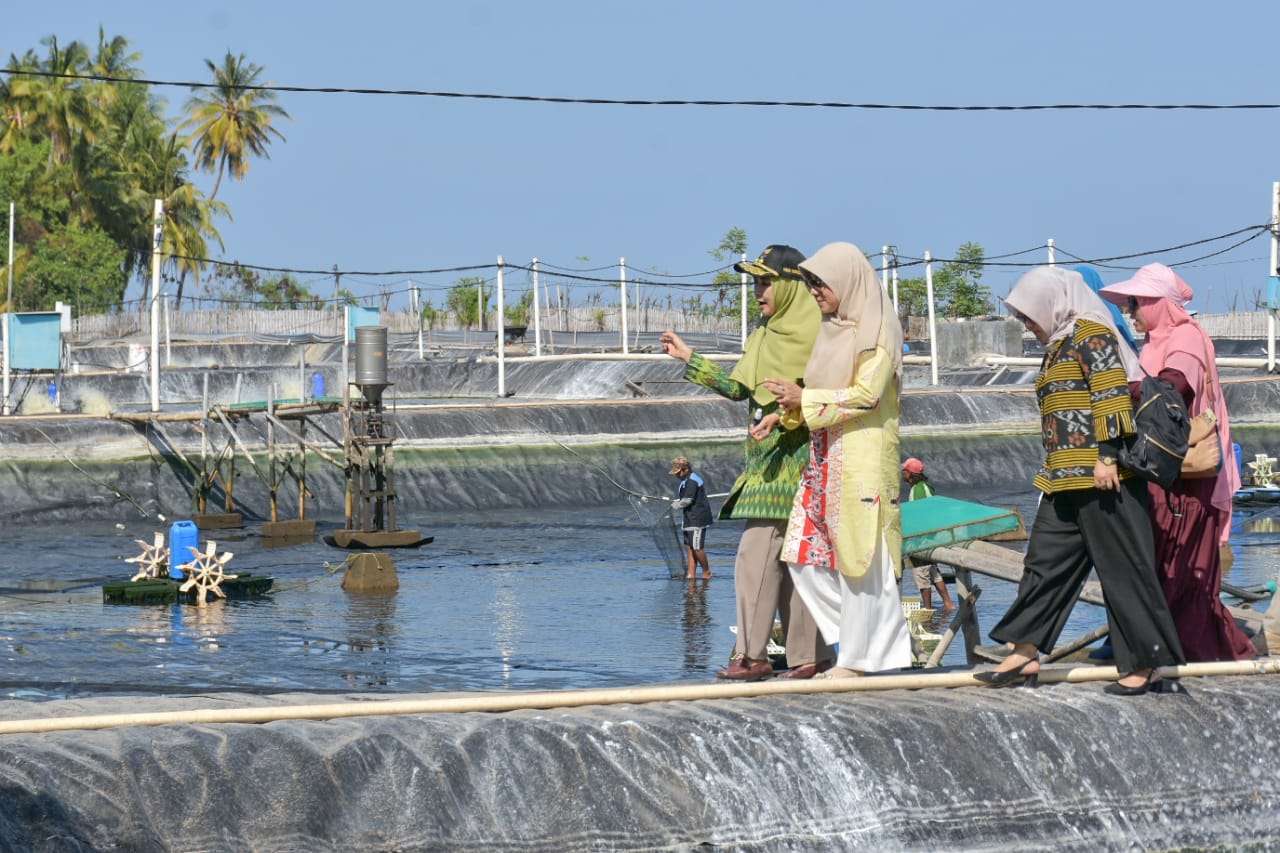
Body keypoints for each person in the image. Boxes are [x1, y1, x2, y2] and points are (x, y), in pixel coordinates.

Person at [979, 266, 1184, 695]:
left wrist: (1108, 457)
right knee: (1044, 565)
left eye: (1029, 315)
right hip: (1063, 478)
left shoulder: (1090, 333)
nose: (1027, 324)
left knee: (1123, 568)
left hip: (1103, 475)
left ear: (1051, 304)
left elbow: (1110, 392)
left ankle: (1146, 664)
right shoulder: (1056, 346)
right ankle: (1025, 650)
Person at [661, 244, 832, 681]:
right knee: (796, 564)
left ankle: (753, 655)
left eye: (765, 282)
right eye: (755, 282)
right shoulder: (764, 335)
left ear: (793, 286)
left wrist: (789, 415)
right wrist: (689, 358)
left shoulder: (821, 337)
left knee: (755, 559)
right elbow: (740, 389)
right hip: (763, 467)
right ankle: (810, 658)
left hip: (795, 470)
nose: (757, 292)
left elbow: (825, 400)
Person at [759, 242, 914, 679]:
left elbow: (866, 395)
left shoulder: (877, 333)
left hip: (861, 461)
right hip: (825, 460)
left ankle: (861, 661)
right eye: (809, 283)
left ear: (847, 280)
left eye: (820, 283)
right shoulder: (835, 330)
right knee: (804, 555)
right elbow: (817, 396)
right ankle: (858, 648)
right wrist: (784, 413)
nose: (814, 292)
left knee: (864, 563)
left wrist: (804, 398)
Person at [1099, 263, 1254, 662]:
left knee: (1182, 564)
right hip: (1166, 469)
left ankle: (1180, 648)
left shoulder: (1184, 338)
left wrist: (1118, 390)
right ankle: (1163, 643)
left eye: (1136, 303)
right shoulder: (1156, 341)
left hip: (1185, 476)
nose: (1131, 311)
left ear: (1156, 302)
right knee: (1165, 559)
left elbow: (1171, 391)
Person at [901, 457, 955, 612]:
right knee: (933, 572)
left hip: (923, 538)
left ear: (910, 473)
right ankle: (948, 604)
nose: (902, 473)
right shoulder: (923, 487)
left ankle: (928, 610)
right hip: (928, 536)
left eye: (904, 470)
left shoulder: (919, 489)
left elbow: (922, 513)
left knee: (921, 573)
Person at [669, 456, 713, 580]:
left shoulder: (692, 481)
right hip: (688, 518)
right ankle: (691, 574)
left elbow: (687, 500)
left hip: (697, 519)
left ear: (686, 469)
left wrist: (675, 505)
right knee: (689, 546)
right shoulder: (685, 480)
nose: (677, 476)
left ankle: (706, 571)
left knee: (697, 547)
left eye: (678, 473)